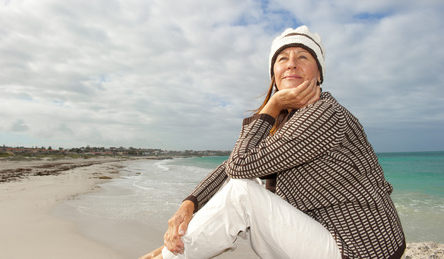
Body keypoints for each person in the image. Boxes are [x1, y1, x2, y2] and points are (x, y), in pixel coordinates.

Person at [140, 26, 406, 259]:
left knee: (243, 193)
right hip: (335, 239)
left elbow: (240, 165)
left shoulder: (323, 114)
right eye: (282, 59)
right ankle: (173, 253)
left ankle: (169, 257)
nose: (291, 64)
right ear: (274, 73)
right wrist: (189, 204)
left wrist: (274, 103)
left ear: (320, 75)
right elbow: (230, 168)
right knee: (246, 186)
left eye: (303, 57)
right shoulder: (292, 119)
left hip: (357, 250)